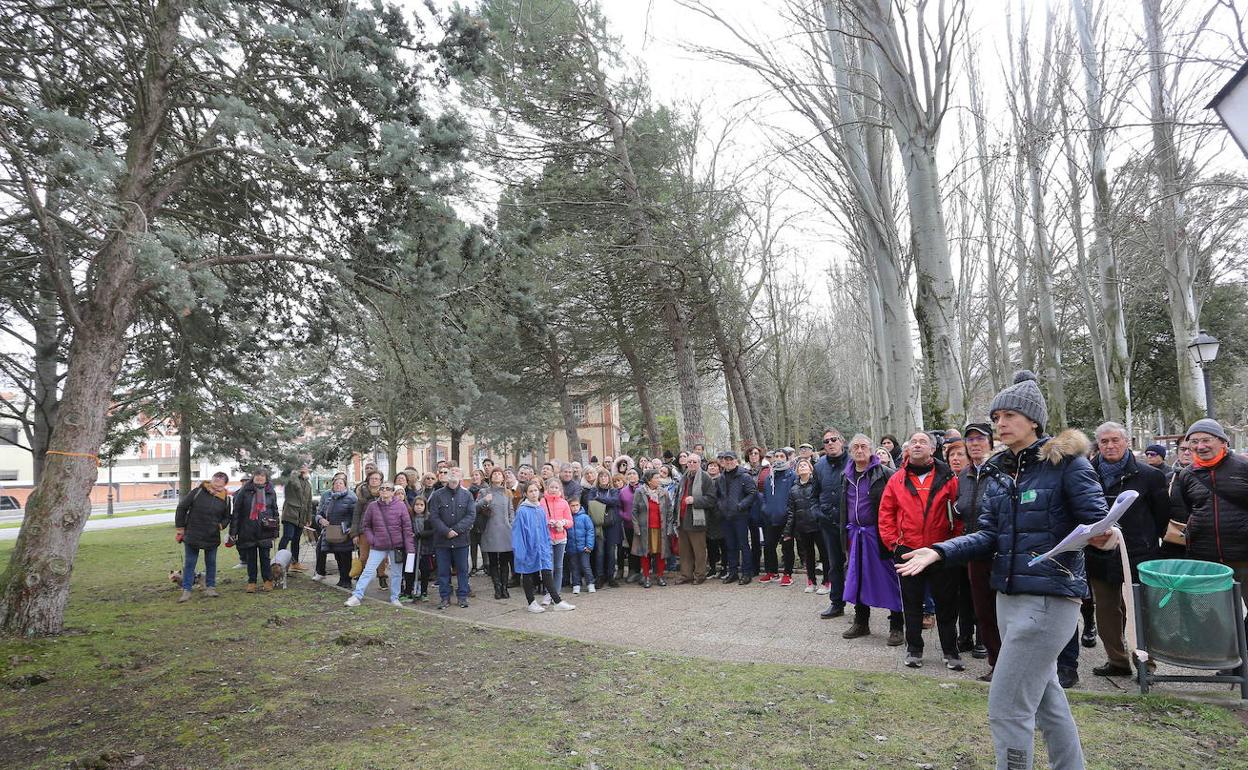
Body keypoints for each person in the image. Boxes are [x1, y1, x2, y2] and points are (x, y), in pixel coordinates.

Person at [898, 371, 1107, 770]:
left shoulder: (1068, 465)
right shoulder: (998, 471)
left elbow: (1099, 523)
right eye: (996, 417)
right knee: (1047, 699)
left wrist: (1106, 536)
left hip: (1049, 600)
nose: (1000, 424)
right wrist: (939, 551)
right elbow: (987, 535)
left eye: (1009, 415)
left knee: (1007, 708)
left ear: (1034, 421)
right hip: (1008, 598)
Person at [1086, 421, 1168, 677]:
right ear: (1098, 445)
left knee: (1140, 611)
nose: (1110, 446)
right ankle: (1117, 661)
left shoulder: (1150, 476)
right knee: (1107, 611)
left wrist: (1147, 541)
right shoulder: (1087, 474)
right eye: (1104, 442)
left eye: (1115, 440)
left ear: (1127, 442)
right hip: (1099, 553)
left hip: (1137, 553)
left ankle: (1145, 663)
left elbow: (1161, 516)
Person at [878, 431, 963, 669]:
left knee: (946, 605)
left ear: (933, 449)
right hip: (908, 552)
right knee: (912, 604)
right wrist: (894, 544)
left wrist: (952, 545)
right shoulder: (897, 479)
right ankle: (914, 649)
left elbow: (959, 516)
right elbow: (886, 514)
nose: (917, 445)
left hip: (941, 551)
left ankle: (950, 651)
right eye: (913, 442)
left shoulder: (948, 478)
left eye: (922, 442)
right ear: (907, 449)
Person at [1170, 418, 1248, 624]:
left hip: (1243, 554)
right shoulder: (1187, 475)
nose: (1200, 446)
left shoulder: (1243, 467)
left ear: (1223, 441)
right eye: (1194, 442)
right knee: (1212, 614)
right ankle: (1225, 652)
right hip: (1205, 556)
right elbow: (1191, 509)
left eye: (1206, 440)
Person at [840, 435, 903, 644]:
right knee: (857, 579)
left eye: (864, 446)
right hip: (855, 535)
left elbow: (896, 504)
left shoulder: (885, 473)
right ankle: (861, 622)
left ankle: (896, 626)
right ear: (850, 451)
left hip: (879, 535)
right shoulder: (846, 475)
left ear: (871, 450)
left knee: (890, 579)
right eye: (855, 447)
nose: (859, 450)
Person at [960, 423, 1000, 676]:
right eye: (970, 439)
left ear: (991, 443)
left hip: (1001, 552)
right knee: (983, 612)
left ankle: (1011, 666)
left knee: (1003, 614)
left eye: (980, 438)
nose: (974, 443)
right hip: (974, 553)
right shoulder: (964, 476)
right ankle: (996, 664)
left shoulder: (1001, 472)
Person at [345, 481, 413, 608]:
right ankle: (357, 595)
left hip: (396, 545)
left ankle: (395, 597)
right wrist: (372, 540)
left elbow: (407, 528)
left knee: (397, 573)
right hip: (378, 545)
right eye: (382, 488)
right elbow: (366, 525)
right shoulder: (372, 506)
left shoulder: (400, 506)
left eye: (388, 488)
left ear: (393, 492)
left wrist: (409, 548)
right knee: (368, 571)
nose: (384, 490)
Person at [513, 481, 575, 612]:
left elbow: (545, 530)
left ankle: (557, 601)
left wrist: (546, 545)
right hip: (528, 547)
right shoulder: (522, 511)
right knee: (528, 573)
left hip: (542, 547)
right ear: (526, 494)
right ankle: (531, 602)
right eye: (530, 491)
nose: (534, 493)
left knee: (547, 571)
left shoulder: (540, 509)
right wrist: (521, 552)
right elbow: (518, 533)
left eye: (536, 490)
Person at [174, 471, 232, 602]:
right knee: (190, 563)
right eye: (216, 478)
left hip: (212, 535)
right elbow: (182, 507)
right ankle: (186, 590)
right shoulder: (198, 492)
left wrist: (221, 526)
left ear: (225, 483)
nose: (218, 480)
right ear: (211, 479)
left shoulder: (226, 499)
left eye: (221, 479)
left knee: (211, 563)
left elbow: (227, 517)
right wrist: (180, 528)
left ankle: (210, 588)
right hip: (192, 533)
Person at [428, 467, 477, 609]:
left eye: (457, 473)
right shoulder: (437, 495)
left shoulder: (467, 495)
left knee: (462, 570)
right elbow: (434, 516)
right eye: (451, 473)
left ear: (461, 477)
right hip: (442, 541)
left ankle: (462, 596)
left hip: (461, 540)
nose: (454, 476)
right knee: (443, 571)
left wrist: (456, 530)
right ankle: (444, 597)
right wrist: (446, 531)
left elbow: (471, 515)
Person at [814, 428, 850, 614]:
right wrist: (818, 513)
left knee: (855, 564)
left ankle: (862, 607)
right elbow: (814, 494)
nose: (830, 443)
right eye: (826, 441)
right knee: (834, 564)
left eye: (833, 439)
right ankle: (837, 603)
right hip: (828, 523)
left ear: (842, 441)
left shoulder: (854, 461)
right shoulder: (819, 466)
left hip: (851, 523)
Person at [230, 467, 280, 593]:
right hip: (247, 529)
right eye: (257, 475)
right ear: (253, 477)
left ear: (266, 478)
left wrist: (275, 530)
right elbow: (236, 512)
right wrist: (233, 532)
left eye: (262, 476)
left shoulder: (270, 492)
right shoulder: (244, 491)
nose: (259, 478)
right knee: (251, 559)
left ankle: (267, 581)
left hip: (265, 529)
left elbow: (275, 511)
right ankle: (251, 582)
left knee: (265, 557)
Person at [783, 458, 827, 593]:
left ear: (810, 469)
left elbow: (823, 503)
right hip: (802, 527)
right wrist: (788, 531)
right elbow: (791, 511)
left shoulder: (817, 484)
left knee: (824, 554)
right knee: (809, 555)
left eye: (805, 465)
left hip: (818, 525)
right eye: (800, 465)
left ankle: (827, 582)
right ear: (796, 470)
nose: (802, 467)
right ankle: (811, 581)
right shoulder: (793, 489)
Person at [715, 450, 756, 585]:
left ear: (736, 460)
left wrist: (741, 505)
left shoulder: (744, 476)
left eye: (731, 459)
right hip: (725, 516)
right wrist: (720, 507)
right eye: (726, 460)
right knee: (730, 546)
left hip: (740, 516)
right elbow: (718, 496)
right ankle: (732, 572)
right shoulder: (720, 478)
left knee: (743, 544)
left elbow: (752, 493)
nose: (728, 462)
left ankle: (746, 573)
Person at [676, 452, 716, 585]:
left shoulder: (705, 478)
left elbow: (711, 500)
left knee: (699, 551)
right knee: (684, 551)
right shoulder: (684, 477)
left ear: (700, 463)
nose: (691, 464)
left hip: (697, 520)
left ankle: (700, 575)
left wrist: (695, 500)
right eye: (689, 462)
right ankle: (686, 575)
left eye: (694, 462)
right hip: (682, 519)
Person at [477, 467, 515, 600]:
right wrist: (485, 501)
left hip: (505, 530)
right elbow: (476, 508)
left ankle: (504, 588)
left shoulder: (507, 493)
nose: (497, 476)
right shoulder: (484, 491)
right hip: (490, 529)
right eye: (495, 474)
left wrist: (511, 525)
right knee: (493, 561)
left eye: (500, 474)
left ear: (503, 477)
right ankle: (497, 588)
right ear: (491, 477)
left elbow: (511, 511)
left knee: (504, 561)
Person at [632, 468, 674, 588]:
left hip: (661, 528)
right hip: (645, 528)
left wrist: (669, 528)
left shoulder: (663, 493)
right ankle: (646, 577)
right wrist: (636, 528)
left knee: (660, 553)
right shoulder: (640, 492)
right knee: (645, 553)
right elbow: (634, 511)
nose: (658, 479)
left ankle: (660, 576)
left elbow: (670, 511)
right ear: (649, 480)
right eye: (656, 478)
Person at [761, 449, 797, 585]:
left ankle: (787, 574)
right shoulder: (768, 477)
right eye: (776, 456)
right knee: (769, 546)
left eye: (782, 456)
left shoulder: (792, 475)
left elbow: (794, 497)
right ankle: (772, 572)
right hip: (770, 518)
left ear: (787, 458)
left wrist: (789, 513)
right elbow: (764, 496)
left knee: (787, 547)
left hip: (786, 518)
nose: (779, 458)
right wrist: (765, 509)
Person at [313, 474, 357, 588]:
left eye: (341, 483)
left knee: (345, 557)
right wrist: (321, 520)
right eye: (336, 483)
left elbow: (356, 517)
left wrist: (348, 528)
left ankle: (346, 580)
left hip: (344, 533)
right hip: (331, 533)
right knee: (338, 556)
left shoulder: (351, 498)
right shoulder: (329, 498)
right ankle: (342, 580)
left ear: (345, 485)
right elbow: (319, 514)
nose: (338, 485)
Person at [585, 472, 622, 589]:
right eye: (601, 476)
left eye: (606, 476)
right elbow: (589, 503)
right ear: (598, 478)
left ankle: (610, 576)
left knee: (611, 553)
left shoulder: (613, 490)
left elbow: (615, 501)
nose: (603, 478)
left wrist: (599, 499)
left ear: (609, 478)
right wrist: (605, 501)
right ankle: (600, 577)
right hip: (598, 525)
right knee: (599, 552)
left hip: (611, 525)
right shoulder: (593, 491)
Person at [541, 478, 573, 601]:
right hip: (547, 538)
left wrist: (562, 522)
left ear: (560, 489)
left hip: (561, 538)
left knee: (559, 566)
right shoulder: (542, 502)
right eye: (551, 487)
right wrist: (549, 523)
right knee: (549, 567)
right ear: (547, 488)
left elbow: (570, 522)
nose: (554, 490)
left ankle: (556, 593)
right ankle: (548, 592)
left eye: (556, 487)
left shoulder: (564, 503)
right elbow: (539, 520)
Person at [352, 470, 385, 587]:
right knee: (364, 556)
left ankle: (382, 576)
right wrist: (354, 533)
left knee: (381, 556)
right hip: (364, 530)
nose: (374, 480)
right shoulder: (362, 495)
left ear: (381, 481)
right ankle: (365, 575)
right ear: (368, 480)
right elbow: (356, 515)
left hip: (381, 530)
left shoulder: (385, 494)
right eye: (372, 478)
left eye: (377, 478)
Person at [280, 464, 313, 573]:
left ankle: (295, 562)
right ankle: (279, 562)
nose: (303, 467)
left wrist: (308, 517)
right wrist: (296, 472)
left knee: (296, 540)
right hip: (290, 514)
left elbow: (309, 502)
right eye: (301, 465)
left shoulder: (308, 484)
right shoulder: (293, 479)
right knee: (287, 537)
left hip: (301, 517)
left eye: (305, 466)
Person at [567, 497, 595, 594]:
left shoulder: (585, 517)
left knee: (585, 566)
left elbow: (590, 531)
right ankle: (576, 584)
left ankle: (590, 583)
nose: (575, 508)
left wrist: (589, 545)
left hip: (584, 548)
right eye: (572, 506)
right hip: (571, 548)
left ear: (580, 505)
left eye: (576, 505)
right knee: (574, 567)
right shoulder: (567, 518)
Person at [618, 468, 642, 583]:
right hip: (628, 525)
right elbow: (619, 507)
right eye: (629, 474)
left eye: (634, 473)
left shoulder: (643, 489)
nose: (632, 475)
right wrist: (625, 516)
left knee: (642, 548)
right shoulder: (623, 491)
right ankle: (633, 570)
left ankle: (644, 572)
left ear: (639, 476)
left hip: (642, 525)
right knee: (632, 548)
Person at [704, 459, 726, 578]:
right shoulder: (704, 480)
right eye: (710, 466)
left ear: (719, 468)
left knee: (723, 543)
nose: (712, 468)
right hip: (708, 516)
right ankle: (712, 567)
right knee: (710, 543)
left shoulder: (722, 479)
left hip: (720, 515)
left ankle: (724, 567)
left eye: (714, 466)